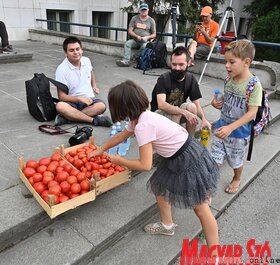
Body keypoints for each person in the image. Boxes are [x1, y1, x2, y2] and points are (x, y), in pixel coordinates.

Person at [87, 80, 220, 255]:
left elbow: (145, 164)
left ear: (122, 107)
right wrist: (102, 148)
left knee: (201, 210)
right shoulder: (141, 117)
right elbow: (122, 135)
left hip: (187, 159)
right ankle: (167, 225)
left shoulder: (143, 126)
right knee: (160, 186)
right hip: (180, 153)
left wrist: (121, 161)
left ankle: (215, 255)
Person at [211, 39, 262, 194]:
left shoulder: (254, 86)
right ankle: (209, 183)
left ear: (246, 62)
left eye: (231, 62)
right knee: (214, 158)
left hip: (239, 133)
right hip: (222, 127)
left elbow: (252, 113)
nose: (227, 66)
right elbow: (225, 98)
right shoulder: (229, 79)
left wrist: (231, 128)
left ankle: (237, 178)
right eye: (226, 61)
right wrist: (216, 102)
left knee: (235, 161)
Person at [150, 46, 211, 136]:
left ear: (188, 63)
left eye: (181, 64)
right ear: (170, 63)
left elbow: (197, 104)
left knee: (192, 107)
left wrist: (204, 120)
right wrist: (184, 112)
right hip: (159, 114)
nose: (177, 68)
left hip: (177, 113)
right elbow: (161, 104)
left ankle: (191, 140)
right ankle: (175, 143)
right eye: (174, 64)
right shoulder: (163, 79)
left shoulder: (191, 79)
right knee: (177, 113)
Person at [54, 36, 112, 127]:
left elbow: (91, 71)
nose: (76, 52)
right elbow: (61, 97)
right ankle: (93, 120)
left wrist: (94, 85)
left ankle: (67, 117)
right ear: (65, 53)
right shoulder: (61, 69)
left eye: (78, 49)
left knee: (101, 106)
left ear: (82, 50)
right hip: (72, 102)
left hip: (89, 100)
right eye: (71, 50)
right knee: (60, 106)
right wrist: (79, 98)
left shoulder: (86, 60)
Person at [116, 3, 156, 67]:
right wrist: (136, 36)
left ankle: (136, 57)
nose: (143, 11)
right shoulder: (134, 18)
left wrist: (147, 37)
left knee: (145, 46)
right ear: (139, 11)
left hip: (145, 41)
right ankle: (126, 61)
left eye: (145, 10)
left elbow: (154, 34)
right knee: (127, 43)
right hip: (135, 40)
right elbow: (130, 31)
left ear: (148, 10)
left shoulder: (151, 20)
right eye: (142, 10)